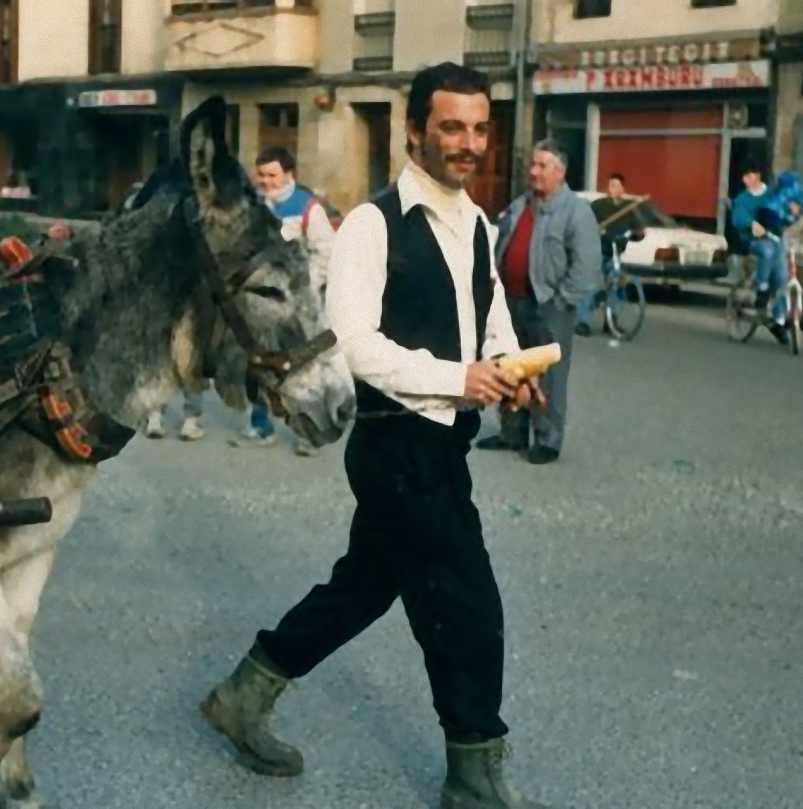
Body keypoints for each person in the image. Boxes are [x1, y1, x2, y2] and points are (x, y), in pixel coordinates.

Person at [199, 62, 554, 809]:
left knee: (363, 586)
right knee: (467, 605)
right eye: (451, 127)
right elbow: (351, 342)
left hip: (445, 443)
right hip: (396, 446)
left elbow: (488, 322)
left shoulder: (479, 223)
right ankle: (474, 776)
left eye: (479, 128)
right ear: (415, 130)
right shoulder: (372, 222)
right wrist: (460, 378)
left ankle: (243, 692)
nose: (467, 143)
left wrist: (510, 368)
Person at [481, 140, 602, 464]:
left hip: (548, 305)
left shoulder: (577, 211)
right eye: (532, 165)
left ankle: (547, 439)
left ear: (559, 173)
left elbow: (587, 266)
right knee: (510, 369)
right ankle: (512, 432)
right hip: (511, 301)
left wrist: (562, 301)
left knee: (547, 374)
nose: (533, 172)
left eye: (542, 166)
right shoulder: (521, 204)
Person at [232, 145, 335, 456]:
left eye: (272, 175)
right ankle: (262, 427)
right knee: (257, 365)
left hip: (296, 304)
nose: (266, 181)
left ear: (289, 174)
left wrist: (304, 289)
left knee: (301, 369)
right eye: (261, 174)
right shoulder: (250, 204)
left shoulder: (307, 207)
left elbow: (325, 252)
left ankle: (309, 431)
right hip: (258, 303)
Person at [578, 172, 642, 337]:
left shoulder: (627, 209)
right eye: (611, 185)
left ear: (622, 189)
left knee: (616, 286)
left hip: (615, 253)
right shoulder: (599, 206)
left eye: (616, 185)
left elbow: (638, 230)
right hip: (597, 250)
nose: (612, 189)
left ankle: (611, 321)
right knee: (591, 286)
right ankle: (582, 322)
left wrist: (636, 234)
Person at [730, 162, 789, 344]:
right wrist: (751, 224)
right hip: (753, 241)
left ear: (758, 176)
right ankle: (761, 289)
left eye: (751, 175)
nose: (748, 179)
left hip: (774, 238)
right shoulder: (742, 199)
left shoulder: (770, 194)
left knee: (781, 277)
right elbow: (737, 218)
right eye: (745, 177)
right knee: (767, 250)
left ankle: (779, 321)